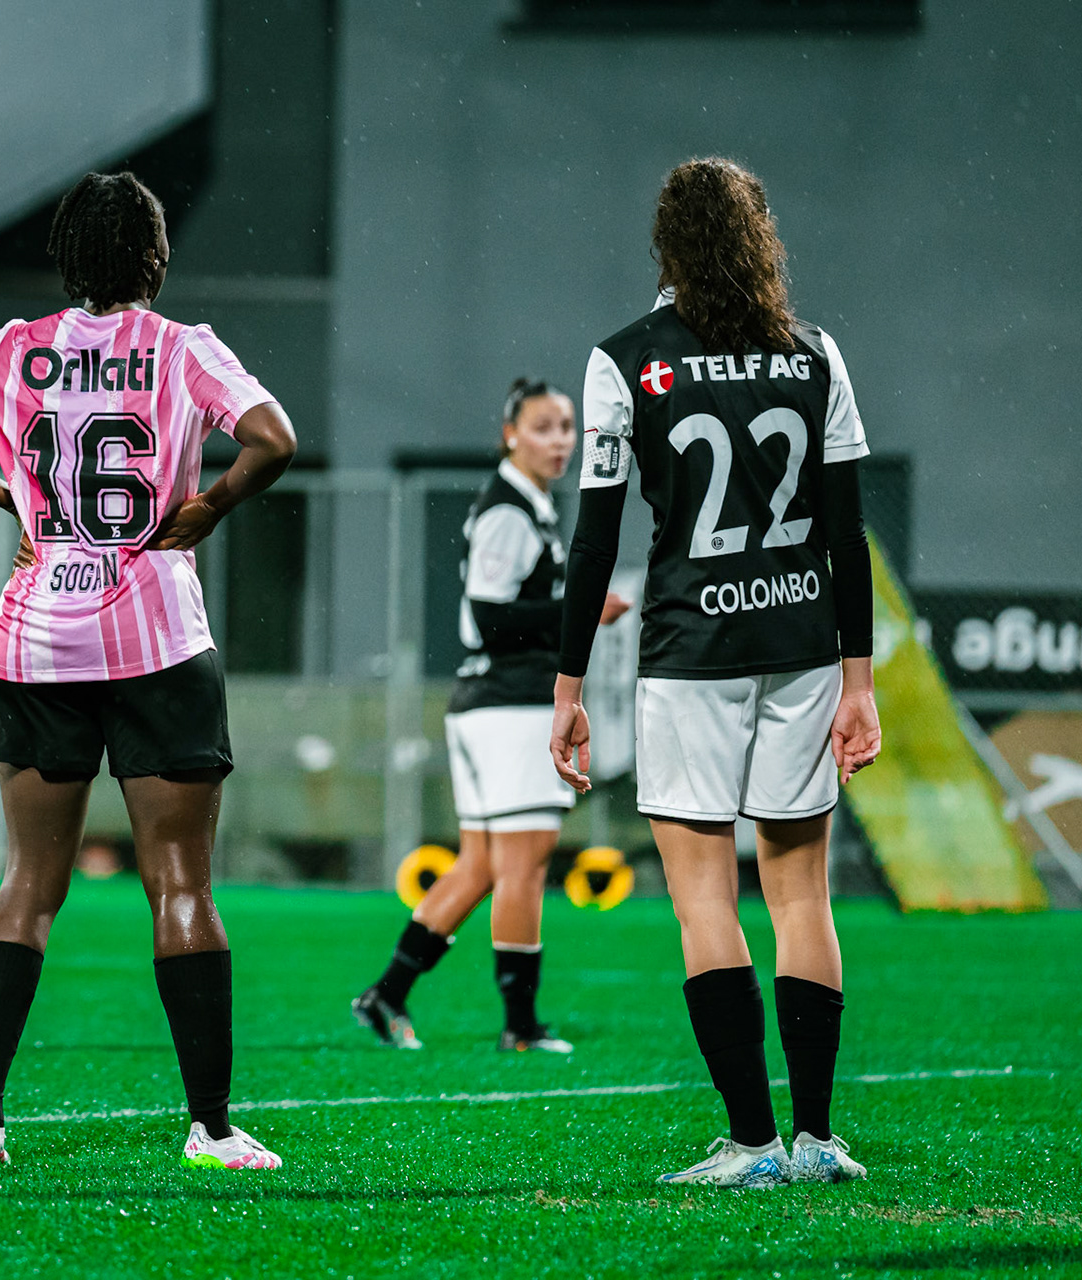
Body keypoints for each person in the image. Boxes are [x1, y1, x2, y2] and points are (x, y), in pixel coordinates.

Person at [0, 171, 296, 1172]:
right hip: (156, 642)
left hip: (37, 642)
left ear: (65, 257)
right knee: (179, 882)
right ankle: (212, 1127)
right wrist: (215, 503)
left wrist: (6, 492)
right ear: (154, 256)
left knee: (28, 881)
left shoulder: (13, 349)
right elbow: (273, 441)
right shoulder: (183, 349)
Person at [550, 158, 882, 1188]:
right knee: (801, 894)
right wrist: (858, 680)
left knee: (704, 896)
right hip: (801, 645)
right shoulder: (814, 353)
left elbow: (595, 539)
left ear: (667, 246)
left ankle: (751, 1143)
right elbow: (847, 533)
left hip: (692, 649)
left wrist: (567, 690)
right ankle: (821, 1136)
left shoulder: (626, 359)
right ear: (758, 237)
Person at [353, 379, 629, 1054]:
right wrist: (581, 612)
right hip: (509, 704)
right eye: (542, 426)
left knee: (477, 866)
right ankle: (522, 1027)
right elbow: (490, 618)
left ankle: (385, 995)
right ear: (510, 433)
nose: (560, 439)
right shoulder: (509, 508)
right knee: (523, 868)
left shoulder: (525, 503)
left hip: (485, 704)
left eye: (567, 426)